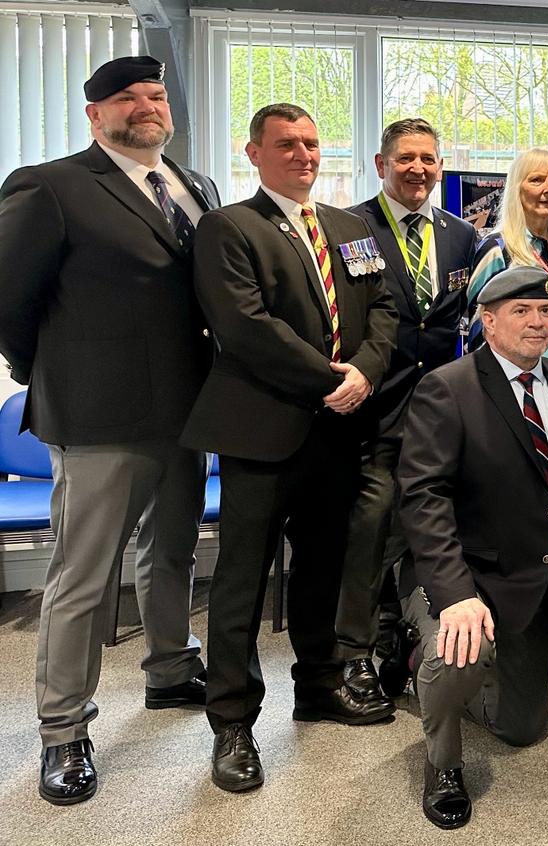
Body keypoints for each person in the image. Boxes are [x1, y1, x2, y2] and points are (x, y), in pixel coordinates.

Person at [0, 55, 217, 806]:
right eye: (126, 98)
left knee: (174, 553)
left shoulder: (197, 186)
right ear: (95, 115)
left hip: (190, 411)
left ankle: (170, 671)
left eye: (154, 95)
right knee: (84, 580)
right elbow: (10, 303)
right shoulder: (51, 185)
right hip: (99, 417)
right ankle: (63, 731)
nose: (145, 107)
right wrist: (58, 374)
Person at [182, 103, 399, 793]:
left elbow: (386, 308)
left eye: (311, 143)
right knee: (243, 583)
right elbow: (244, 327)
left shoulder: (350, 227)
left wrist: (365, 371)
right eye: (286, 144)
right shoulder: (229, 228)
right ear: (254, 153)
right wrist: (332, 379)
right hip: (263, 431)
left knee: (322, 571)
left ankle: (319, 685)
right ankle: (233, 725)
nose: (303, 155)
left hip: (338, 433)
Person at [397, 265, 548, 829]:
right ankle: (441, 757)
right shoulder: (447, 388)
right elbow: (422, 497)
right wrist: (456, 595)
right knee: (456, 652)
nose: (539, 322)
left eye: (547, 310)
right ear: (487, 322)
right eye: (521, 311)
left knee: (523, 728)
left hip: (528, 582)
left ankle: (458, 670)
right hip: (460, 574)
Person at [338, 117, 478, 705]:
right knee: (371, 534)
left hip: (441, 415)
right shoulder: (350, 229)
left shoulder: (460, 236)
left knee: (432, 533)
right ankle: (356, 654)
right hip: (377, 408)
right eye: (405, 159)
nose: (418, 169)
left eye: (428, 159)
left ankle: (408, 640)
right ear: (381, 165)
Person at [468, 148, 548, 367]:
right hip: (519, 378)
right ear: (517, 189)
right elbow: (478, 330)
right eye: (537, 180)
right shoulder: (496, 248)